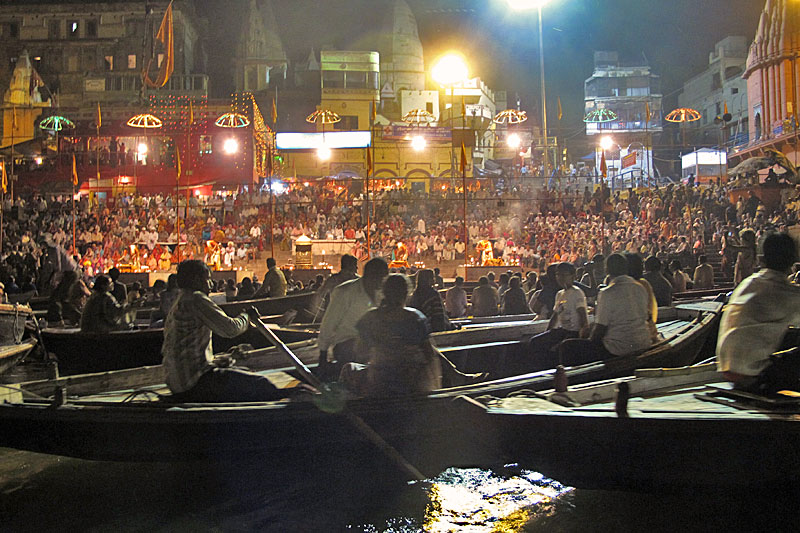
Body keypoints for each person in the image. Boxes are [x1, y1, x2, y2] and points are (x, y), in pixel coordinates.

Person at [161, 260, 293, 403]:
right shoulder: (196, 299)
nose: (210, 285)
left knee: (244, 374)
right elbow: (230, 329)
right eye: (208, 279)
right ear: (196, 280)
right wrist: (247, 317)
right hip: (195, 382)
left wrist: (222, 358)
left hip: (178, 383)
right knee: (260, 383)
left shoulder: (179, 301)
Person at [717, 233, 800, 388]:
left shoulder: (749, 283)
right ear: (792, 260)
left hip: (726, 366)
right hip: (751, 372)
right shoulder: (786, 291)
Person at [340, 274, 442, 397]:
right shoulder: (416, 318)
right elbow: (429, 354)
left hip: (379, 381)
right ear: (406, 294)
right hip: (411, 382)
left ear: (384, 292)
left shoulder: (370, 318)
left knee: (349, 369)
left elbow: (360, 351)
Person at [558, 254, 653, 366]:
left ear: (607, 269)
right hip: (643, 342)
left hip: (617, 348)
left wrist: (590, 341)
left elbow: (601, 328)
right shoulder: (640, 288)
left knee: (567, 346)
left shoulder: (607, 293)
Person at [318, 257, 389, 375]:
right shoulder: (345, 291)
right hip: (346, 344)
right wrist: (323, 356)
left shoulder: (383, 294)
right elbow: (329, 324)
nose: (382, 282)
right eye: (380, 278)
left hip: (373, 345)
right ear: (369, 275)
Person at [528, 262, 589, 368]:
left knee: (557, 349)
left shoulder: (577, 293)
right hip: (562, 330)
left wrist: (581, 337)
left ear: (572, 276)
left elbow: (583, 319)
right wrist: (547, 332)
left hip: (573, 332)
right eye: (558, 275)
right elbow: (555, 316)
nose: (560, 278)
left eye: (564, 275)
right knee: (535, 342)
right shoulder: (560, 294)